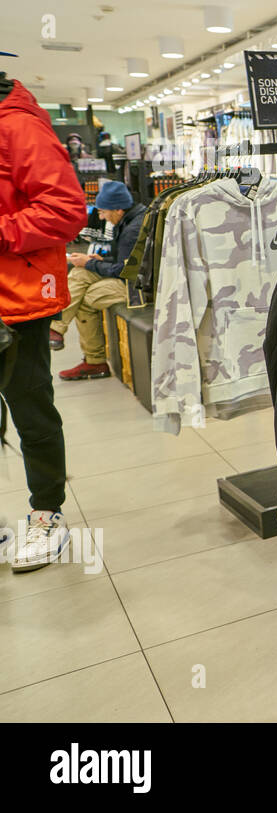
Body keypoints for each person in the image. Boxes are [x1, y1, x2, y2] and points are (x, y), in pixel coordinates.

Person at [0, 73, 88, 572]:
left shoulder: (18, 127)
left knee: (30, 406)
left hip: (17, 300)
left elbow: (64, 210)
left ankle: (47, 512)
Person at [50, 179, 143, 376]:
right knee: (80, 274)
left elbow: (125, 270)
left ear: (118, 209)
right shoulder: (129, 220)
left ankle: (94, 360)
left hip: (138, 289)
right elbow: (125, 260)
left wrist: (90, 263)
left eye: (102, 212)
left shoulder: (132, 230)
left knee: (85, 295)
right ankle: (58, 331)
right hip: (132, 280)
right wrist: (100, 258)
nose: (101, 217)